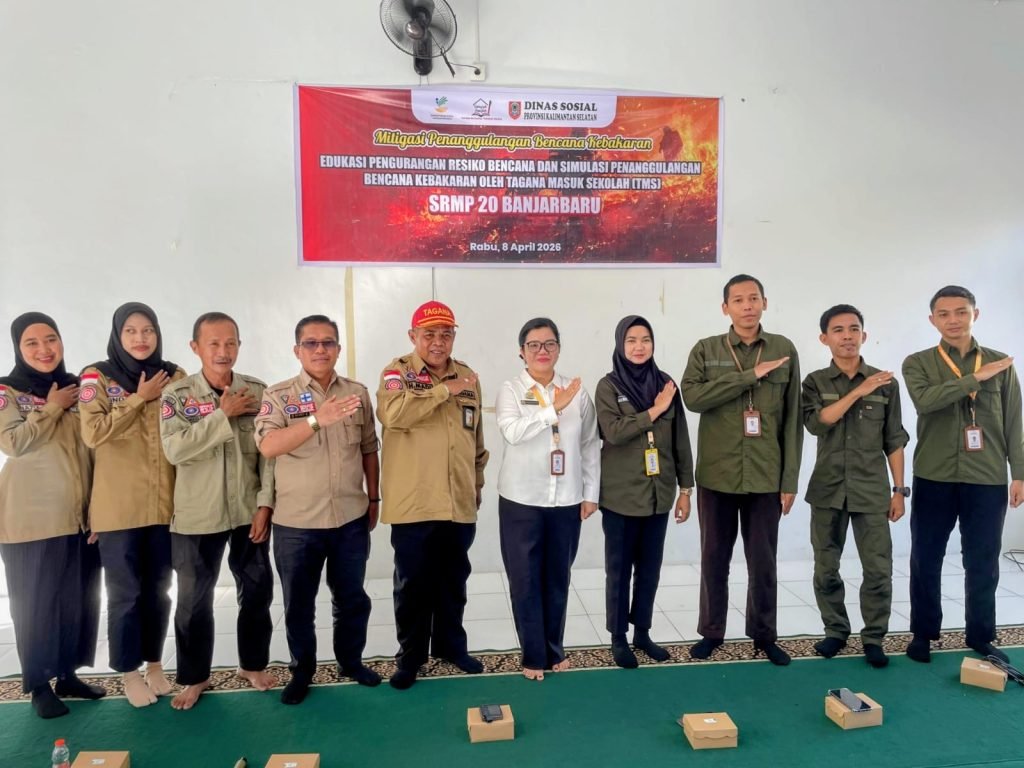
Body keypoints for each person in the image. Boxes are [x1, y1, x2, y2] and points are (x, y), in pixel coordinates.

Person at [255, 314, 381, 705]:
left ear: (338, 349)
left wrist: (374, 498)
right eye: (311, 343)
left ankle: (350, 662)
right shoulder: (279, 395)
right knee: (299, 605)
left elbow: (369, 448)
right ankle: (302, 671)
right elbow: (268, 446)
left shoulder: (357, 393)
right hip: (297, 524)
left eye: (328, 342)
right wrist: (315, 420)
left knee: (352, 599)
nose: (320, 349)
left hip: (349, 518)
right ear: (297, 350)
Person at [682, 274, 802, 666]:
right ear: (725, 308)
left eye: (753, 298)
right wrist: (750, 376)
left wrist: (789, 480)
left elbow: (792, 420)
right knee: (714, 559)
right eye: (738, 300)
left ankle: (764, 636)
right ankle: (711, 632)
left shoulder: (784, 349)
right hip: (717, 475)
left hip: (766, 476)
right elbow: (693, 397)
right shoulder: (706, 349)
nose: (747, 306)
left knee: (763, 562)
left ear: (764, 303)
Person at [160, 312, 276, 710]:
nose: (223, 351)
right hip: (197, 515)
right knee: (193, 601)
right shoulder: (176, 396)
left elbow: (268, 456)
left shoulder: (257, 391)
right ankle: (195, 677)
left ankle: (252, 665)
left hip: (247, 511)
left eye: (230, 343)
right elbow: (174, 449)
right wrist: (221, 415)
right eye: (213, 343)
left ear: (239, 346)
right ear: (195, 347)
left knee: (257, 590)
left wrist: (265, 504)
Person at [902, 286, 1024, 663]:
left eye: (961, 312)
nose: (953, 320)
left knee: (983, 560)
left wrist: (1019, 473)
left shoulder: (1001, 363)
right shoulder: (918, 363)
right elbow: (926, 401)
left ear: (975, 314)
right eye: (944, 314)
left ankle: (981, 636)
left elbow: (1014, 420)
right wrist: (975, 379)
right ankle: (923, 634)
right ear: (932, 320)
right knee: (926, 557)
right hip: (934, 474)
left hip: (987, 476)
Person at [377, 300, 489, 690]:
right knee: (413, 585)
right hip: (415, 502)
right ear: (413, 336)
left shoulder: (468, 376)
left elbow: (475, 438)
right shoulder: (397, 373)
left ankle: (450, 647)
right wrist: (443, 391)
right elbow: (394, 416)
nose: (438, 342)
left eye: (446, 334)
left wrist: (476, 482)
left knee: (453, 581)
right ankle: (410, 658)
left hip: (458, 500)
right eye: (429, 335)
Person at [79, 302, 185, 707]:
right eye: (131, 331)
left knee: (160, 590)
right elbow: (93, 433)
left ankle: (155, 664)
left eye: (148, 330)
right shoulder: (97, 376)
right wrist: (139, 399)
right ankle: (128, 672)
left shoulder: (174, 375)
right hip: (118, 508)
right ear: (118, 335)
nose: (141, 338)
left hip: (164, 504)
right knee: (124, 594)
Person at [0, 313, 104, 718]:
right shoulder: (7, 391)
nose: (44, 349)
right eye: (32, 343)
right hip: (31, 519)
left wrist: (98, 507)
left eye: (51, 339)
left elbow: (92, 449)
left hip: (78, 516)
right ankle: (38, 685)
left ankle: (67, 675)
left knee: (78, 599)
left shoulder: (77, 389)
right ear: (18, 348)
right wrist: (52, 408)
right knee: (35, 604)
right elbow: (12, 442)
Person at [802, 305, 910, 668]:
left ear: (864, 335)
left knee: (878, 569)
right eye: (838, 330)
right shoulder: (815, 382)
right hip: (828, 489)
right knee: (825, 568)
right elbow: (817, 424)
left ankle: (874, 637)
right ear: (825, 338)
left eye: (853, 329)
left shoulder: (886, 383)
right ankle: (835, 631)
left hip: (871, 490)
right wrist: (858, 391)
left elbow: (894, 439)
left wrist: (899, 490)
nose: (847, 336)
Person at [495, 318, 600, 680]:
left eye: (549, 344)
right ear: (521, 352)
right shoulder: (511, 390)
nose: (542, 351)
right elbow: (512, 432)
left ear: (558, 348)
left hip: (566, 499)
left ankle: (554, 649)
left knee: (557, 578)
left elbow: (589, 444)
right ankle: (533, 655)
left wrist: (590, 493)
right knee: (525, 581)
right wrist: (553, 409)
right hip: (521, 499)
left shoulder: (576, 391)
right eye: (534, 345)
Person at [596, 316, 693, 668]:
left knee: (649, 569)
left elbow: (680, 440)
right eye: (632, 340)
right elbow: (614, 431)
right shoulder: (608, 386)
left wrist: (686, 489)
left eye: (646, 339)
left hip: (658, 495)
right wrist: (655, 410)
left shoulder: (666, 384)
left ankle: (642, 632)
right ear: (620, 344)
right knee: (619, 570)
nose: (639, 347)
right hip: (621, 497)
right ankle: (618, 637)